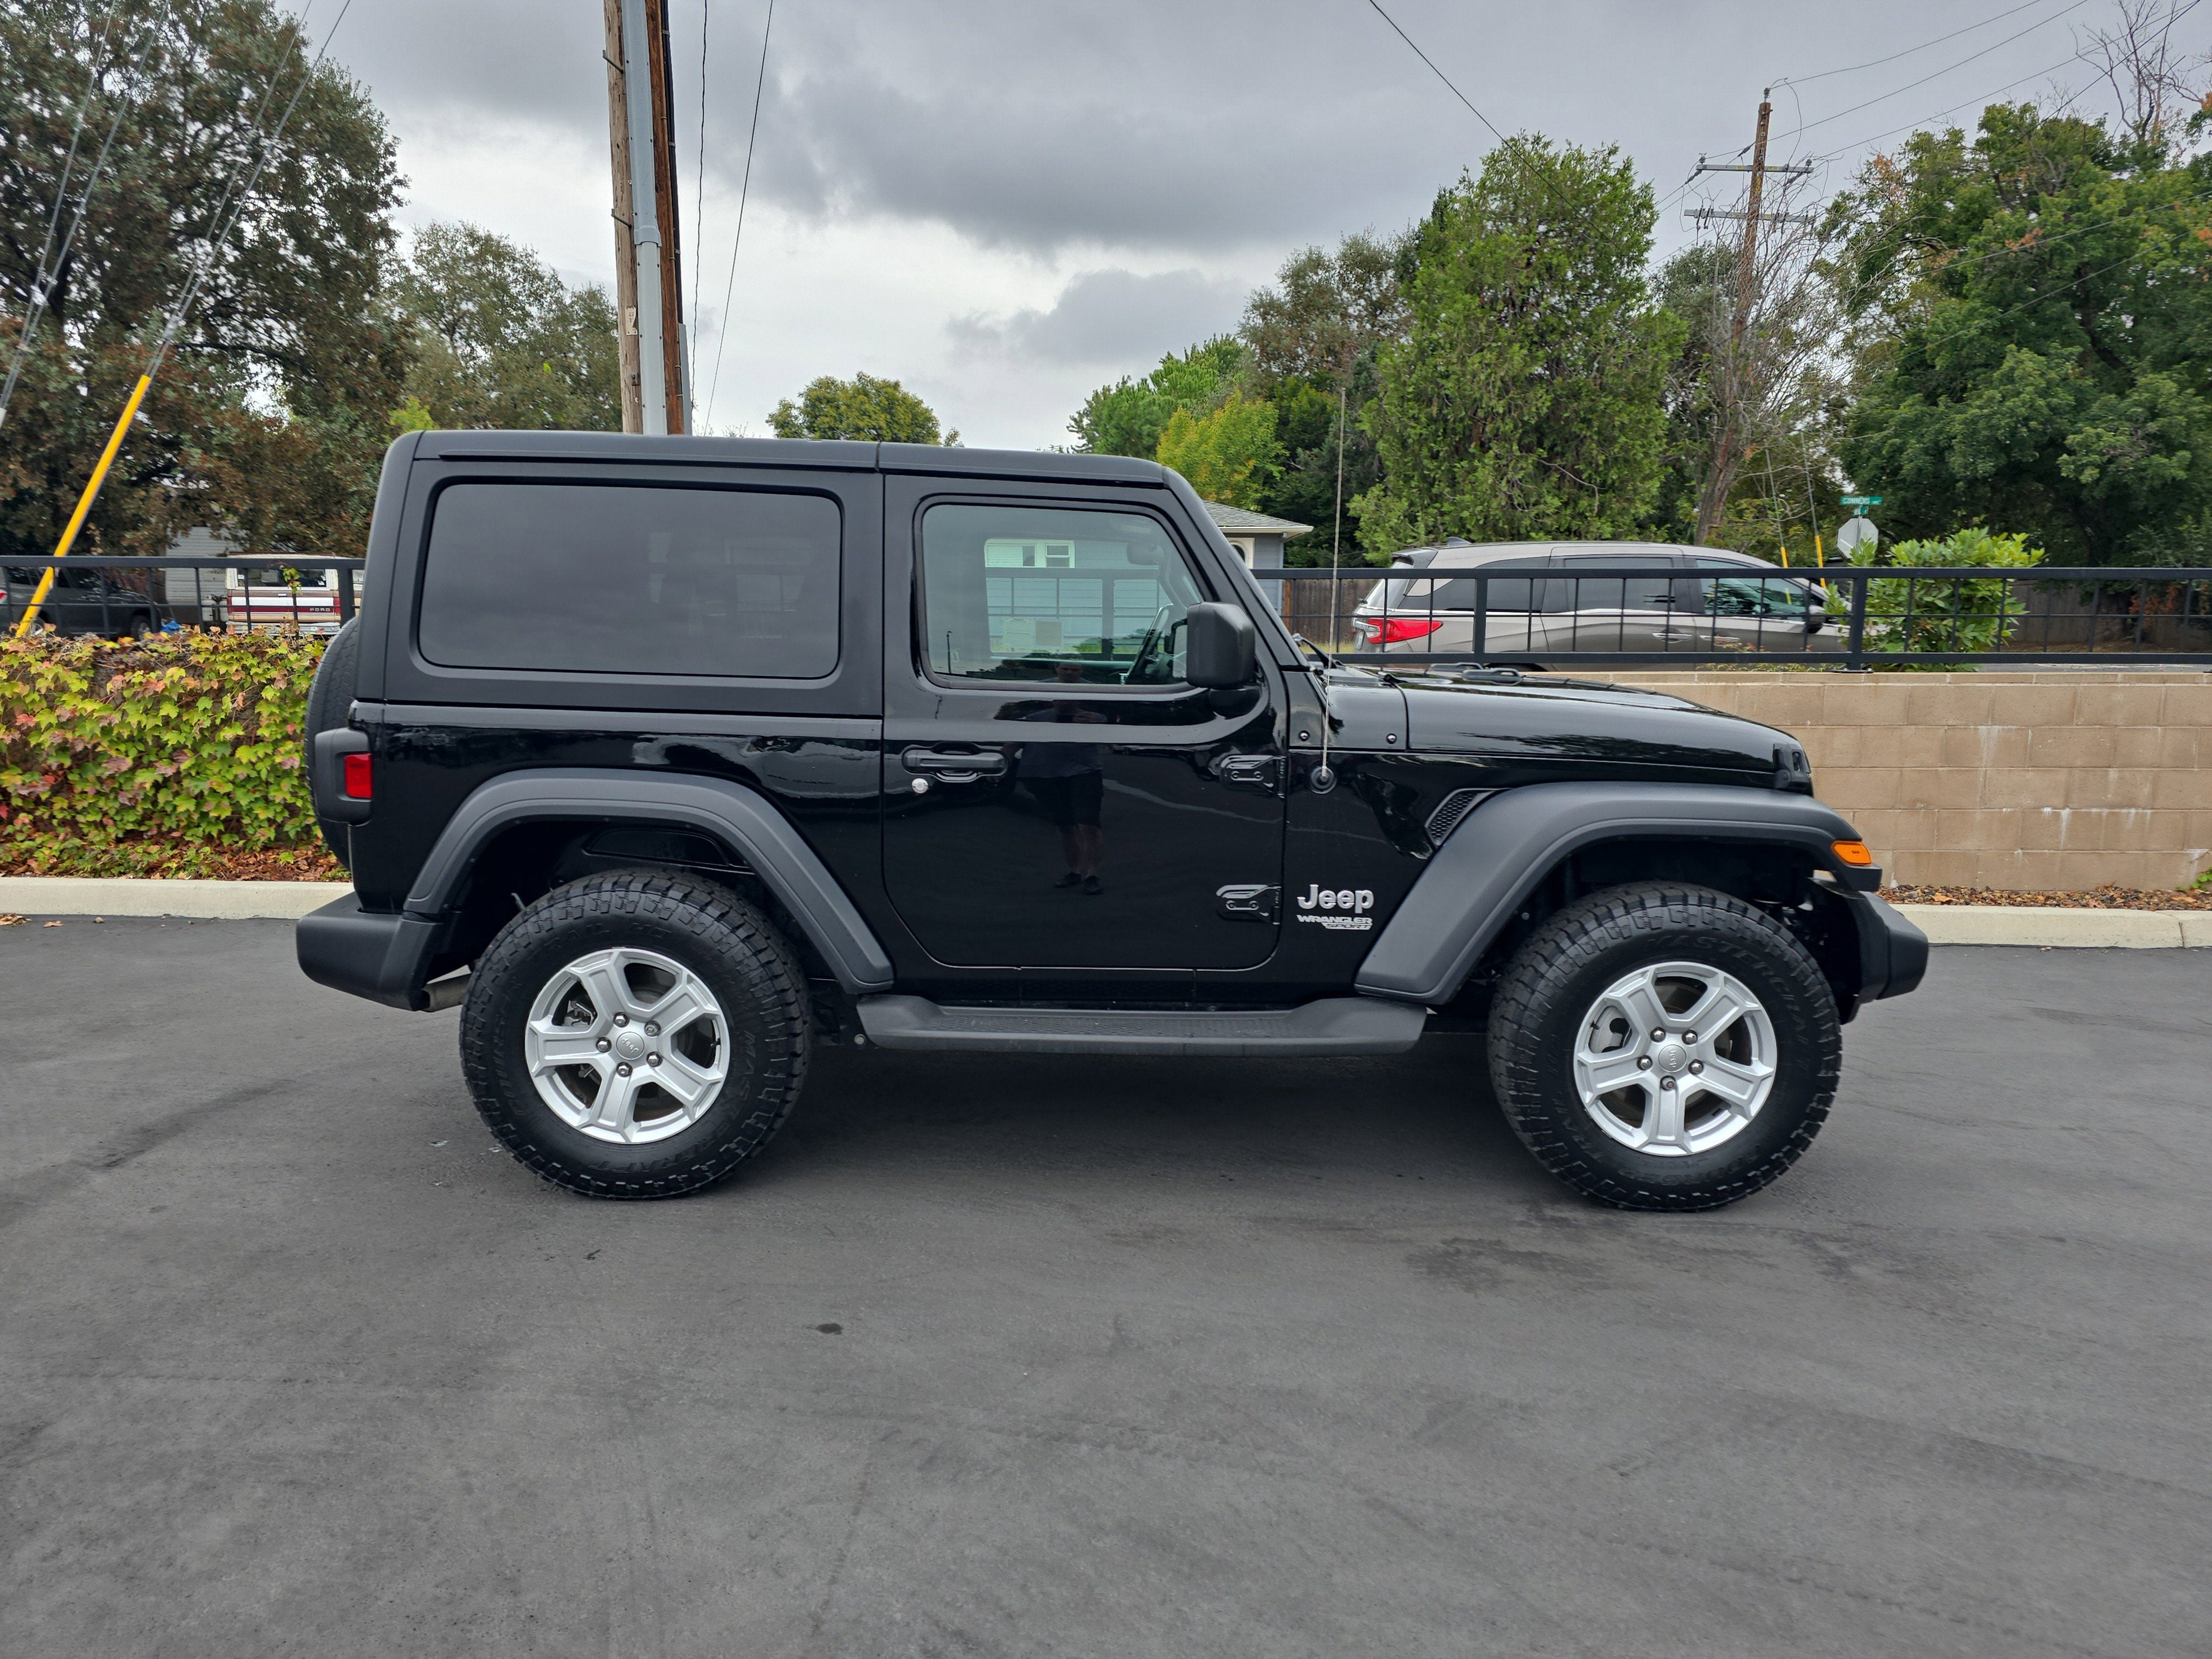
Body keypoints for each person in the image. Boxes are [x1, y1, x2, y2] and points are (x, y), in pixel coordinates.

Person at [1016, 661, 1108, 893]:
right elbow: (1014, 742)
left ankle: (1092, 875)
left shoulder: (1095, 717)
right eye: (1065, 669)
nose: (1066, 702)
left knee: (1089, 824)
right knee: (1065, 826)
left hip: (1084, 773)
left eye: (1074, 670)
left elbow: (1112, 739)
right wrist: (1000, 766)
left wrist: (1095, 726)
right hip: (1048, 776)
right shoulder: (1036, 717)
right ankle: (1074, 871)